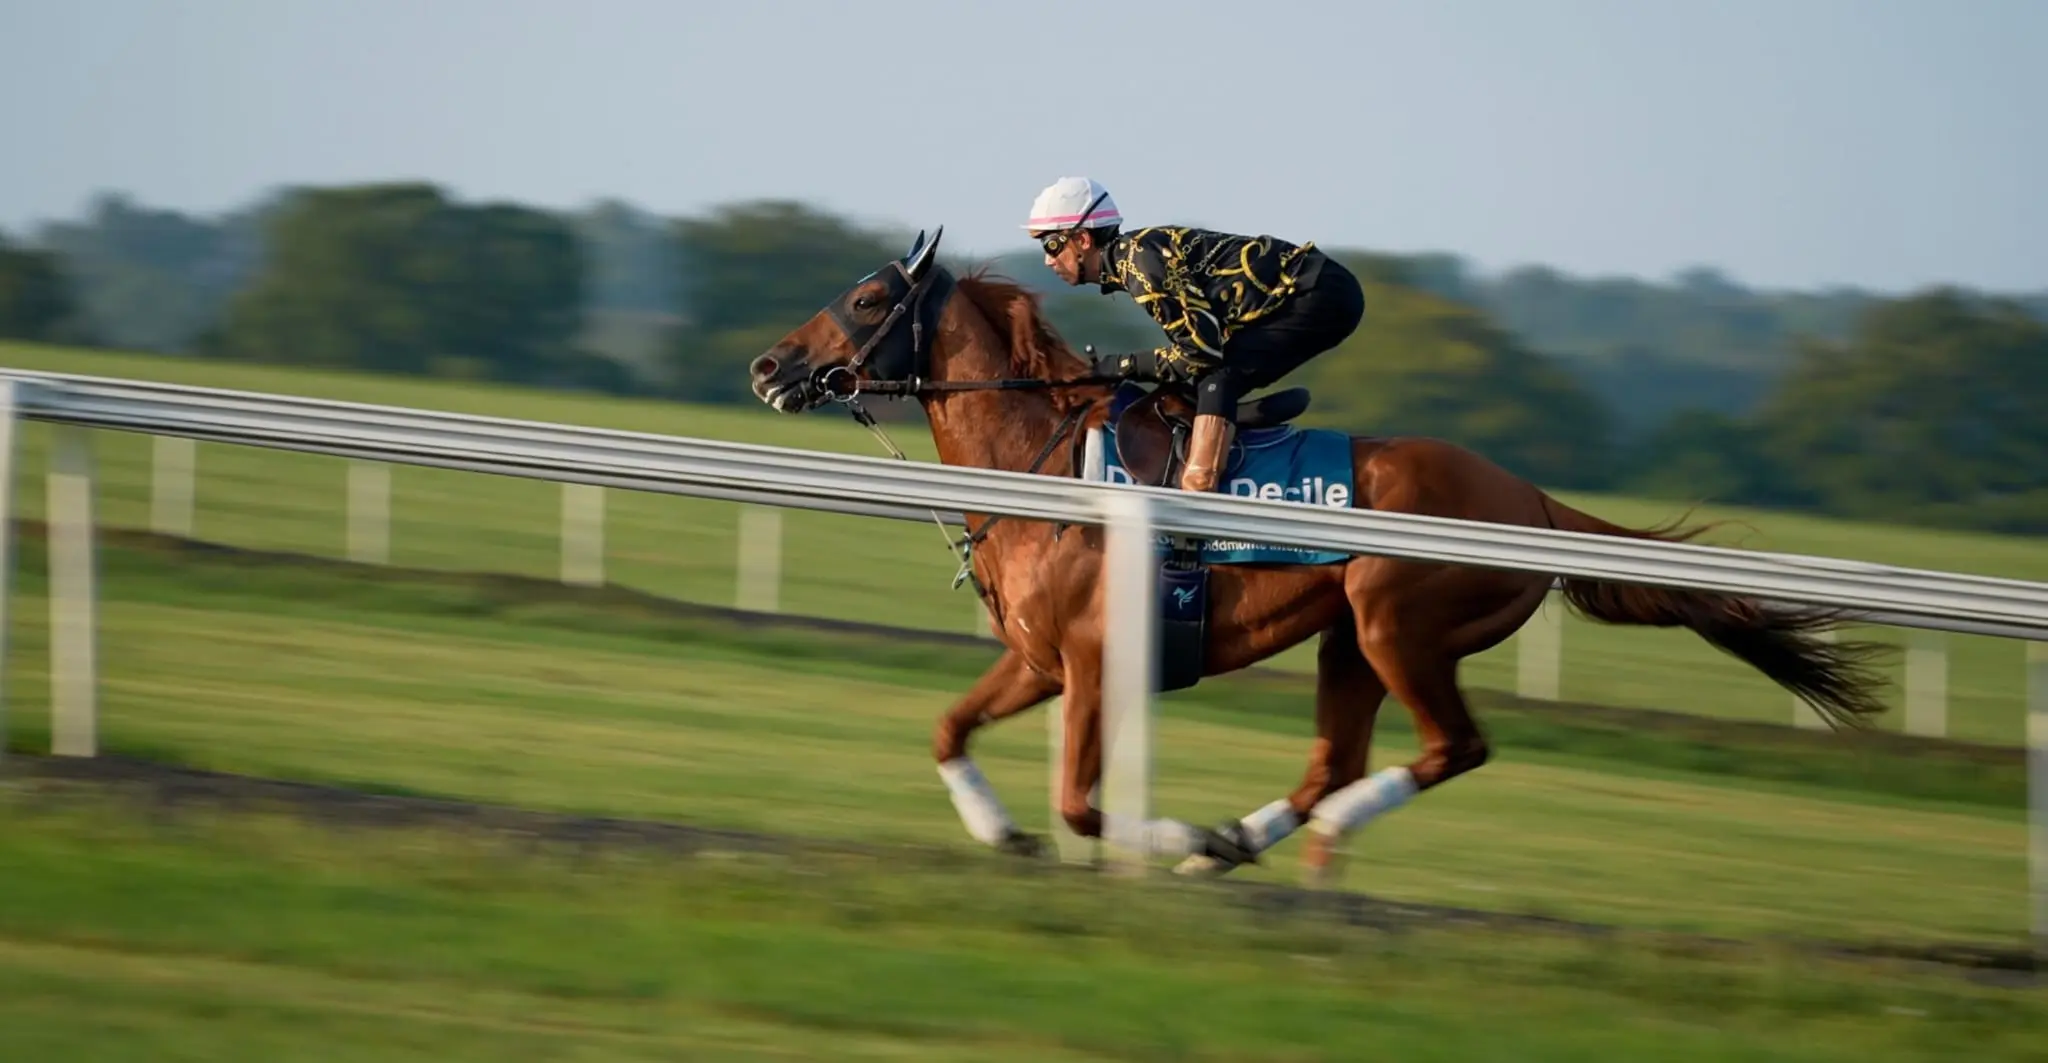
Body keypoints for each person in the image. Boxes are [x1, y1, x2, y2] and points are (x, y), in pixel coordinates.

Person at [1022, 176, 1366, 494]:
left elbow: (1200, 352)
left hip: (1320, 293)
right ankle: (1238, 422)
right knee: (1202, 382)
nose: (1048, 261)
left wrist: (1118, 366)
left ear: (1082, 239)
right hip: (1314, 289)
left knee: (1218, 375)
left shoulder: (1140, 266)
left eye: (1052, 245)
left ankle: (1199, 486)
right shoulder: (1134, 257)